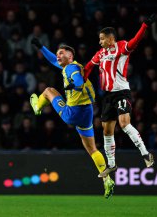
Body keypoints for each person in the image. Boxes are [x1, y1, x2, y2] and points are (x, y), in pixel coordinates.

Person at [30, 38, 115, 199]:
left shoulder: (71, 68)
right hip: (87, 112)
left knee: (48, 90)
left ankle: (37, 107)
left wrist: (74, 85)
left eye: (61, 53)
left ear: (70, 56)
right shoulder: (69, 66)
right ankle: (107, 179)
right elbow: (52, 60)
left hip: (74, 112)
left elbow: (77, 80)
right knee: (92, 149)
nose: (58, 56)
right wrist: (40, 46)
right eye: (57, 53)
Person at [83, 15, 156, 177]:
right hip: (108, 96)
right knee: (107, 131)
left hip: (122, 92)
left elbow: (135, 41)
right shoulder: (100, 54)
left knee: (124, 124)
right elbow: (87, 68)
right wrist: (79, 81)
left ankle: (145, 154)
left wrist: (144, 25)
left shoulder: (121, 47)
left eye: (102, 39)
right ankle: (111, 164)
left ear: (111, 39)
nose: (100, 42)